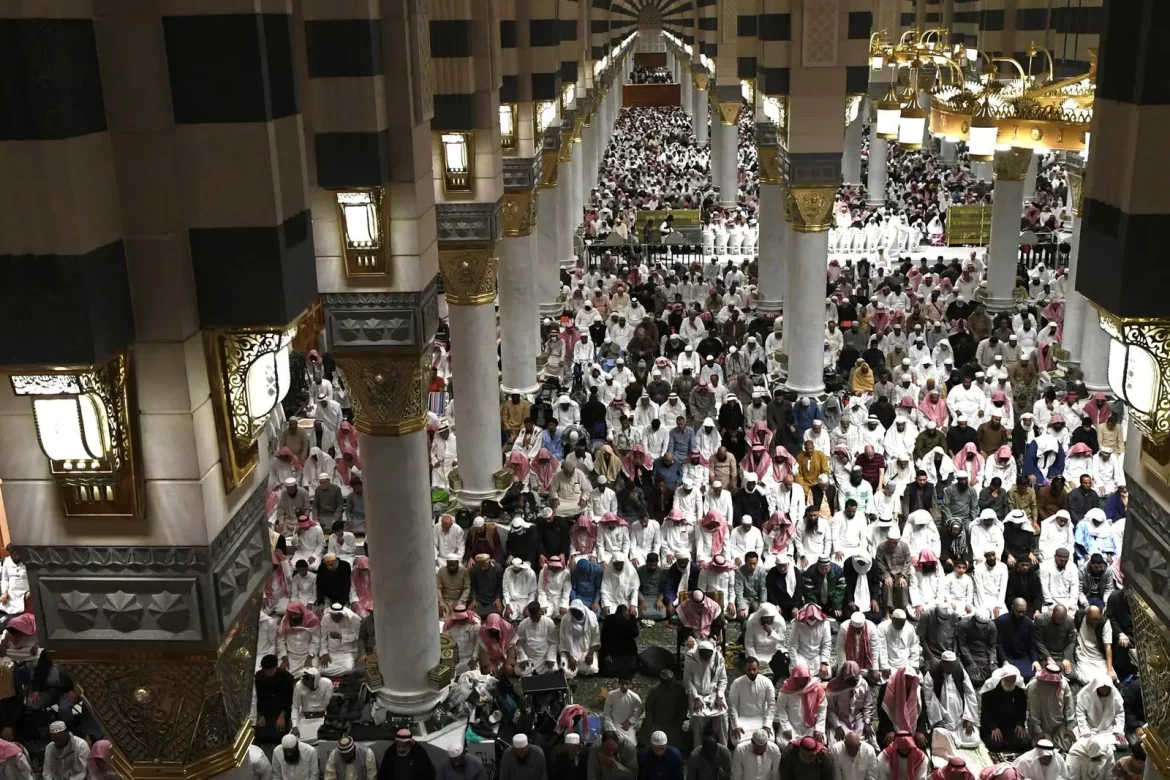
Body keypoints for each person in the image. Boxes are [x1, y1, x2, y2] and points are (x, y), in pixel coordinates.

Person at [923, 651, 978, 744]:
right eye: (951, 665)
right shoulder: (932, 674)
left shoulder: (960, 671)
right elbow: (928, 700)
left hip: (960, 720)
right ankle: (952, 741)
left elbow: (970, 693)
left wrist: (969, 718)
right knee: (940, 736)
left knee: (975, 740)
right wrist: (937, 720)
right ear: (943, 664)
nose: (954, 667)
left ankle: (955, 742)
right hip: (942, 720)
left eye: (954, 664)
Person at [685, 640, 729, 747]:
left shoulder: (718, 658)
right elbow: (687, 681)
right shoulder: (690, 658)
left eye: (708, 656)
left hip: (714, 694)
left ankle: (723, 746)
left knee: (722, 715)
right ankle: (698, 747)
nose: (706, 659)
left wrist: (719, 696)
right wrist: (696, 697)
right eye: (704, 656)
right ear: (699, 653)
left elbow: (723, 680)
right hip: (697, 694)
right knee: (698, 717)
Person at [1026, 662, 1076, 751]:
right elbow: (1033, 710)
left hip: (1059, 725)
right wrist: (1038, 730)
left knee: (1069, 745)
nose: (1054, 683)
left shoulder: (1063, 684)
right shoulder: (1034, 686)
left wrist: (1069, 728)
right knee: (1044, 748)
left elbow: (1069, 706)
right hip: (1042, 726)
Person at [979, 664, 1030, 752]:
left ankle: (1007, 743)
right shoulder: (991, 689)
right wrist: (993, 727)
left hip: (1010, 726)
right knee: (995, 745)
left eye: (1013, 680)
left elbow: (1022, 709)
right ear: (1002, 678)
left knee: (1024, 743)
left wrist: (1019, 724)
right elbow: (985, 712)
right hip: (993, 725)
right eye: (1007, 680)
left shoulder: (1019, 690)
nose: (1010, 683)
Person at [728, 656, 777, 743]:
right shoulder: (736, 683)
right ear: (745, 669)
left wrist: (767, 725)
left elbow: (771, 705)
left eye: (754, 669)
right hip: (742, 719)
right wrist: (736, 725)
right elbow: (732, 706)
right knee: (737, 741)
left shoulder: (767, 682)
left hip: (761, 719)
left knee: (769, 740)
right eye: (749, 670)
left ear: (758, 668)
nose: (752, 672)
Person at [826, 661, 874, 746]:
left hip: (858, 719)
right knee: (836, 742)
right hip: (840, 719)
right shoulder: (834, 685)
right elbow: (830, 710)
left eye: (855, 680)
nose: (853, 683)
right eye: (850, 681)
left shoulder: (863, 684)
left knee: (870, 740)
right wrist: (837, 726)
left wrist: (867, 722)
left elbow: (867, 706)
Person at [778, 662, 828, 741]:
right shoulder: (787, 688)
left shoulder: (816, 687)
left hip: (811, 727)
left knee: (819, 742)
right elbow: (781, 708)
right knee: (783, 743)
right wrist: (786, 727)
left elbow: (822, 709)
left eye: (804, 680)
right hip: (792, 726)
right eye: (798, 680)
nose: (801, 684)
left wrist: (819, 728)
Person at [255, 654, 295, 740]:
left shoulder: (286, 677)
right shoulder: (259, 677)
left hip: (282, 707)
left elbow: (288, 698)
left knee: (279, 732)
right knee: (260, 733)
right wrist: (261, 715)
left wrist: (282, 715)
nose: (270, 674)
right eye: (267, 671)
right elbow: (260, 697)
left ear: (276, 667)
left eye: (271, 671)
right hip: (267, 707)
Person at [1074, 678, 1125, 742]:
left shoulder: (1115, 695)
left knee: (1122, 743)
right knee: (1083, 742)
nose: (1105, 690)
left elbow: (1119, 713)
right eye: (1102, 688)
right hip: (1090, 728)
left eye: (1107, 688)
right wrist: (1085, 731)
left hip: (1108, 729)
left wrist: (1118, 730)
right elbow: (1080, 714)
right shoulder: (1085, 695)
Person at [560, 599, 601, 677]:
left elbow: (596, 638)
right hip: (569, 651)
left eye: (578, 612)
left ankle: (580, 668)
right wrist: (570, 657)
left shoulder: (591, 617)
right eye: (574, 612)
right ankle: (578, 668)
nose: (577, 615)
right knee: (566, 672)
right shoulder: (565, 619)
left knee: (593, 669)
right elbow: (563, 641)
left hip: (586, 651)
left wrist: (590, 653)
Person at [516, 601, 559, 676]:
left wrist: (550, 658)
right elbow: (519, 643)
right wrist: (523, 658)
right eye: (533, 617)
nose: (536, 619)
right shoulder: (523, 624)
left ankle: (534, 673)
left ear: (540, 612)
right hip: (529, 658)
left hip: (544, 658)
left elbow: (553, 642)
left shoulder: (549, 622)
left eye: (537, 616)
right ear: (529, 614)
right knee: (518, 670)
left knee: (553, 669)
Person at [603, 676, 645, 746]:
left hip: (627, 726)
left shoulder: (634, 696)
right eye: (622, 683)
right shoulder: (611, 695)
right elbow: (606, 713)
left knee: (632, 745)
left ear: (630, 684)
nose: (624, 686)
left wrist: (630, 721)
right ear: (619, 683)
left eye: (627, 684)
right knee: (613, 743)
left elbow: (641, 708)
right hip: (614, 724)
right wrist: (613, 729)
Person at [291, 667, 332, 733]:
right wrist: (294, 726)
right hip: (304, 719)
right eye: (304, 679)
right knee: (292, 737)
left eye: (308, 679)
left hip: (322, 719)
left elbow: (328, 703)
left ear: (316, 679)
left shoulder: (327, 683)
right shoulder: (299, 685)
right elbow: (295, 706)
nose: (306, 682)